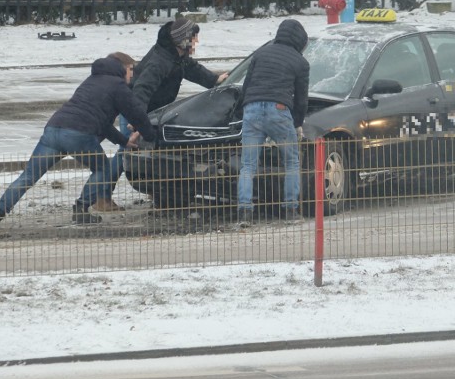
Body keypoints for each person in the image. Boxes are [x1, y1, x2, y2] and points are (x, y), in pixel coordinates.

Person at [0, 52, 156, 230]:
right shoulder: (118, 86)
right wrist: (151, 137)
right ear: (122, 68)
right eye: (131, 69)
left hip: (53, 130)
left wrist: (123, 142)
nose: (132, 74)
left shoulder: (91, 81)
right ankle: (81, 210)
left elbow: (101, 122)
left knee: (28, 176)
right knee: (103, 169)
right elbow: (138, 115)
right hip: (79, 134)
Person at [99, 17, 228, 211]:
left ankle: (156, 192)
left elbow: (193, 69)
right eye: (194, 38)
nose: (196, 42)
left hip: (152, 112)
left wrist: (215, 80)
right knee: (127, 152)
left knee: (153, 152)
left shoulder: (176, 56)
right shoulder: (160, 61)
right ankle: (102, 197)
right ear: (183, 40)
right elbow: (141, 90)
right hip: (136, 110)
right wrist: (137, 122)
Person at [237, 19, 309, 225]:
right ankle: (291, 211)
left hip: (251, 109)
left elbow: (247, 84)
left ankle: (245, 213)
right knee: (292, 162)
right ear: (300, 40)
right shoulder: (300, 62)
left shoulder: (261, 53)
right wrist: (297, 123)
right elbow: (301, 99)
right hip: (279, 110)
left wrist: (244, 107)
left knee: (248, 164)